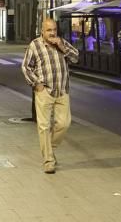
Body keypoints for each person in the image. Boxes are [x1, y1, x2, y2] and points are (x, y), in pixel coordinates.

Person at [21, 18, 79, 174]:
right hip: (45, 91)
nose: (52, 33)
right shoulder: (35, 45)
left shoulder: (61, 43)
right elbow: (26, 67)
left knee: (64, 124)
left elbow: (76, 57)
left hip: (62, 90)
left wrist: (62, 46)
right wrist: (37, 84)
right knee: (44, 126)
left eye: (54, 29)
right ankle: (48, 160)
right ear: (42, 31)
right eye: (49, 30)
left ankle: (50, 150)